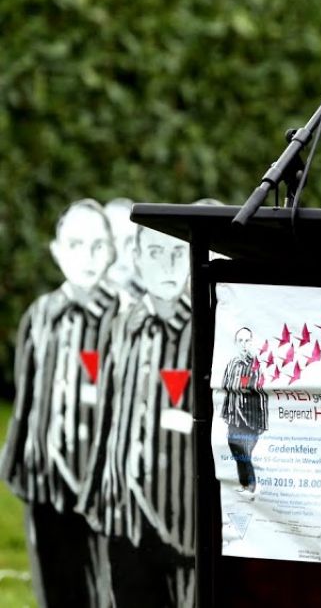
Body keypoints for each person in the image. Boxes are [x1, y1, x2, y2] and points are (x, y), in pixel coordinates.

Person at [0, 199, 118, 607]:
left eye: (98, 246)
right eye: (76, 244)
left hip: (96, 481)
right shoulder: (40, 316)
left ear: (111, 252)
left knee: (99, 583)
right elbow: (26, 397)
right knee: (53, 581)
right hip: (44, 477)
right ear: (56, 251)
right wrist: (15, 459)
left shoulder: (120, 319)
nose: (87, 257)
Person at [80, 225, 195, 608]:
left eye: (178, 254)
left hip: (181, 516)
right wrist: (95, 492)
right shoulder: (122, 327)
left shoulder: (205, 329)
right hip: (122, 512)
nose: (168, 265)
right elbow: (108, 416)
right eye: (156, 254)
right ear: (137, 260)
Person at [220, 326, 269, 498]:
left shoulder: (254, 366)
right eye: (240, 341)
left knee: (246, 455)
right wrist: (226, 414)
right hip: (233, 420)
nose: (243, 344)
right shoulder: (231, 365)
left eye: (247, 340)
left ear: (251, 342)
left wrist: (262, 422)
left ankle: (252, 487)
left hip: (249, 421)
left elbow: (261, 394)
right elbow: (226, 389)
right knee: (238, 454)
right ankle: (245, 485)